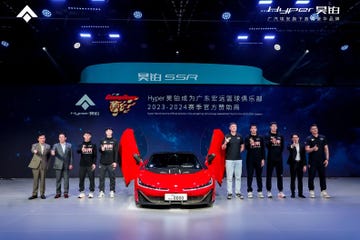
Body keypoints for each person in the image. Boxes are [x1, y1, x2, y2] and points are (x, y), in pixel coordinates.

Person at [305, 124, 330, 198]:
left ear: (317, 129)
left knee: (322, 176)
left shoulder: (323, 137)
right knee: (311, 176)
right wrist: (313, 149)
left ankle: (323, 191)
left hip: (321, 161)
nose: (315, 130)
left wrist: (327, 159)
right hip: (312, 161)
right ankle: (311, 191)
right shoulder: (309, 138)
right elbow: (307, 150)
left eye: (316, 128)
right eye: (313, 129)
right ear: (311, 130)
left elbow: (326, 148)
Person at [221, 122, 245, 200]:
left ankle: (238, 192)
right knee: (229, 177)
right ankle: (229, 193)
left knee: (238, 177)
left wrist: (238, 152)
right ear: (230, 128)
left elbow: (242, 146)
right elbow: (223, 148)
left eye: (235, 126)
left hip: (238, 160)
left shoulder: (240, 136)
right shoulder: (227, 136)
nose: (234, 127)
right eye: (232, 126)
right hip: (229, 160)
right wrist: (225, 142)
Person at [265, 122, 286, 198]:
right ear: (270, 127)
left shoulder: (280, 136)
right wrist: (271, 142)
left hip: (279, 159)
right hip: (270, 158)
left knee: (280, 175)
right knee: (269, 175)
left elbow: (282, 146)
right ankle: (269, 191)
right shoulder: (267, 135)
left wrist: (278, 154)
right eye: (272, 126)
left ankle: (280, 191)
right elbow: (266, 145)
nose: (274, 127)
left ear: (276, 127)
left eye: (275, 126)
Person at [28, 133, 51, 200]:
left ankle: (42, 194)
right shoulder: (34, 145)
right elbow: (32, 150)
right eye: (41, 138)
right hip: (35, 165)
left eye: (43, 138)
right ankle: (34, 194)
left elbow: (49, 156)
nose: (42, 139)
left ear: (45, 139)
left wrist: (47, 164)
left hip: (43, 164)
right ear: (38, 139)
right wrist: (34, 151)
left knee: (43, 180)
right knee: (35, 180)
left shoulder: (48, 146)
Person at [245, 123, 265, 199]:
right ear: (250, 129)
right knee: (250, 175)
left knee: (259, 176)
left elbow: (263, 149)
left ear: (256, 129)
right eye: (252, 128)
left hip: (259, 160)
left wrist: (263, 159)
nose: (253, 129)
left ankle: (260, 191)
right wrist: (250, 143)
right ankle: (249, 191)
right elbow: (246, 148)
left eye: (255, 128)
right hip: (250, 160)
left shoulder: (260, 137)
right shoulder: (247, 137)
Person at [98, 127, 119, 198]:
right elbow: (99, 149)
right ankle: (101, 191)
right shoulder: (102, 140)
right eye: (107, 131)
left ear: (112, 132)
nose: (109, 132)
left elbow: (116, 152)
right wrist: (101, 149)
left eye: (110, 131)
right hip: (102, 163)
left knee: (112, 178)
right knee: (101, 178)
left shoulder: (115, 141)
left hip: (111, 163)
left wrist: (115, 162)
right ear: (106, 132)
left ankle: (112, 191)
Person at [51, 132, 73, 198]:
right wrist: (52, 152)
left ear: (65, 138)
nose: (61, 138)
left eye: (62, 137)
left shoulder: (69, 145)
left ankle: (66, 193)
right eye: (60, 137)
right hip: (58, 164)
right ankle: (58, 193)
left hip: (66, 165)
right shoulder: (56, 145)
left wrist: (71, 164)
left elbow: (71, 156)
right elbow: (53, 150)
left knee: (66, 179)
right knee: (58, 179)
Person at [77, 131, 97, 199]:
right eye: (86, 135)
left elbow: (95, 156)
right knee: (81, 178)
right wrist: (81, 149)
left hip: (90, 165)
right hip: (82, 165)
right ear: (84, 136)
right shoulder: (81, 144)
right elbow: (77, 151)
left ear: (90, 136)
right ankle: (82, 192)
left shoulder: (93, 145)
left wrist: (94, 163)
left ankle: (91, 192)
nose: (87, 136)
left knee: (91, 179)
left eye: (88, 135)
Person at [287, 133, 307, 198]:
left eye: (296, 137)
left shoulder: (302, 145)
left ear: (298, 138)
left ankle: (300, 194)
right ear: (292, 139)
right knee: (293, 179)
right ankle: (293, 193)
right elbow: (289, 148)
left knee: (300, 179)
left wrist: (304, 165)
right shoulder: (290, 145)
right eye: (293, 137)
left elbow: (304, 156)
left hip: (300, 164)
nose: (295, 138)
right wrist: (293, 145)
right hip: (293, 164)